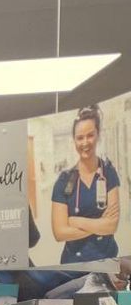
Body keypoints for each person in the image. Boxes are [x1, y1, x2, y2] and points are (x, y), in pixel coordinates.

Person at [51, 105, 119, 264]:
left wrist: (74, 221)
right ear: (74, 139)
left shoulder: (108, 172)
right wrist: (99, 225)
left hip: (106, 262)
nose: (85, 142)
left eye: (90, 135)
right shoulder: (64, 180)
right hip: (73, 264)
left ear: (98, 135)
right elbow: (59, 233)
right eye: (80, 137)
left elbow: (111, 226)